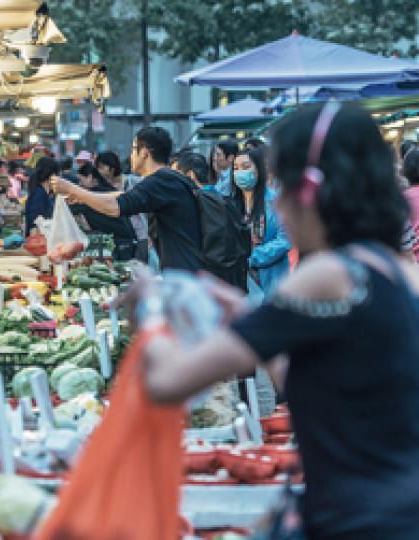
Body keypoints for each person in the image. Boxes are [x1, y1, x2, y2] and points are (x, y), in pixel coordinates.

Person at [138, 103, 419, 540]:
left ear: (309, 191)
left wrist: (153, 304)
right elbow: (327, 389)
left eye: (281, 185)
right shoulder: (395, 271)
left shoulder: (326, 275)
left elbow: (167, 382)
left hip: (353, 519)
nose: (279, 204)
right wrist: (250, 318)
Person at [52, 127, 203, 272]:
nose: (130, 155)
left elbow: (116, 207)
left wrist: (71, 188)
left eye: (133, 149)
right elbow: (123, 196)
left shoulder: (160, 181)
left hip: (185, 272)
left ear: (144, 152)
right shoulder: (167, 179)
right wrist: (83, 197)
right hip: (186, 268)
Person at [231, 146, 291, 295]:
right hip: (239, 280)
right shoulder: (229, 203)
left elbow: (285, 239)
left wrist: (253, 258)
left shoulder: (276, 201)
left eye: (246, 167)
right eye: (236, 168)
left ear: (259, 169)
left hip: (271, 277)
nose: (240, 172)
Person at [73, 163, 138, 261]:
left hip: (120, 243)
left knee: (120, 272)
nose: (79, 185)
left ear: (90, 177)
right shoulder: (106, 190)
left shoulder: (93, 195)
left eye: (81, 180)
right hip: (126, 241)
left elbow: (73, 209)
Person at [25, 156, 58, 236]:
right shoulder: (39, 193)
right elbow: (34, 223)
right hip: (39, 242)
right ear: (51, 174)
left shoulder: (43, 192)